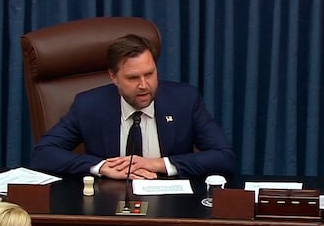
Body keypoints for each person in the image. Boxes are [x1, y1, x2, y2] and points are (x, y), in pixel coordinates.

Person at [30, 33, 236, 180]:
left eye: (149, 74)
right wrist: (101, 167)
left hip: (172, 203)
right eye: (133, 78)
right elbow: (43, 153)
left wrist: (158, 164)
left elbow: (224, 156)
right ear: (114, 77)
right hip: (107, 205)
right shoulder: (89, 105)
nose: (144, 85)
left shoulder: (185, 100)